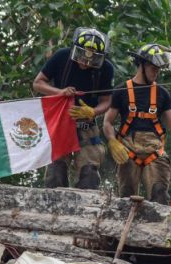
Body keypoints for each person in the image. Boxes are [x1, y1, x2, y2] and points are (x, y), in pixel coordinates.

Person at [102, 44, 171, 205]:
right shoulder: (122, 90)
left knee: (160, 195)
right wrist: (112, 141)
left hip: (154, 150)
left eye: (159, 69)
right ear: (142, 65)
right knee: (126, 199)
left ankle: (158, 228)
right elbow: (107, 122)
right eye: (153, 68)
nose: (156, 72)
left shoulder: (162, 93)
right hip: (128, 149)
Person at [33, 27, 114, 189]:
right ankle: (53, 210)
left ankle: (85, 210)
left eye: (91, 60)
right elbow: (37, 83)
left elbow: (107, 101)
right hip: (60, 122)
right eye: (81, 56)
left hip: (87, 125)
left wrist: (94, 111)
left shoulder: (106, 68)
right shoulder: (62, 56)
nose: (85, 62)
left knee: (90, 173)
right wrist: (60, 92)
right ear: (75, 49)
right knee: (56, 171)